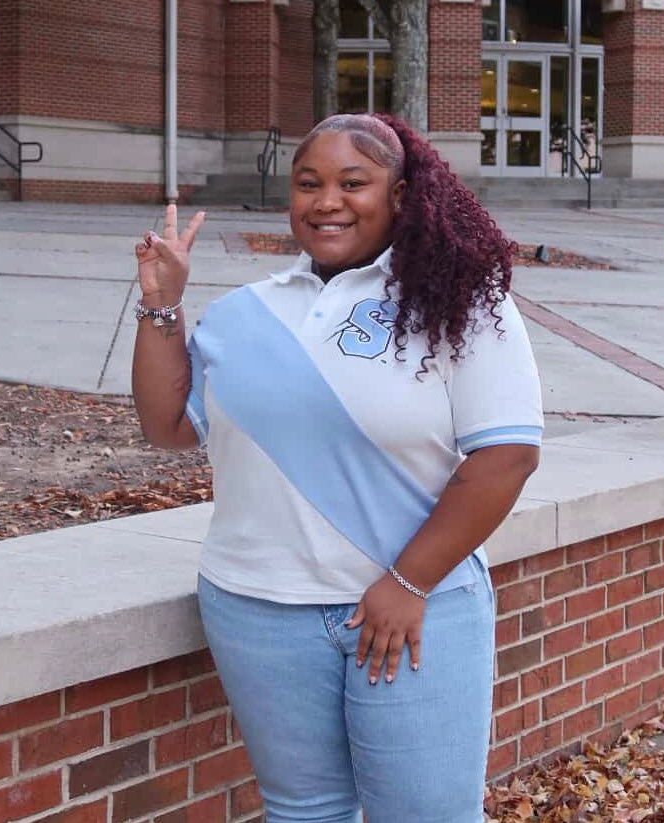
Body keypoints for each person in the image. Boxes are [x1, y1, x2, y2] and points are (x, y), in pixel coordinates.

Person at [132, 113, 543, 823]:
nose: (327, 201)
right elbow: (167, 427)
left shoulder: (463, 305)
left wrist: (407, 582)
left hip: (413, 610)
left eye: (353, 182)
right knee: (304, 812)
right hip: (258, 608)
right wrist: (161, 305)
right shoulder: (243, 314)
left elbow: (506, 457)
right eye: (308, 183)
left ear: (402, 196)